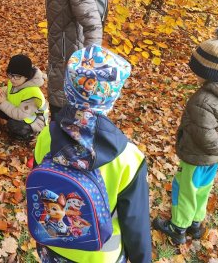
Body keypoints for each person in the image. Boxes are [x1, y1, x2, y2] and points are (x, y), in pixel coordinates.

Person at [32, 45, 151, 263]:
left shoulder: (46, 137)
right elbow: (136, 223)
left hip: (53, 244)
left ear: (68, 87)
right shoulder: (129, 158)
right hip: (102, 255)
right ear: (112, 95)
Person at [153, 25, 218, 245]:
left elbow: (205, 138)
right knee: (202, 190)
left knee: (185, 191)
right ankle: (195, 224)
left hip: (196, 157)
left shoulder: (201, 101)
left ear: (204, 71)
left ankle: (178, 227)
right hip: (213, 160)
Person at [18, 0, 103, 120]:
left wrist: (89, 66)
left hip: (75, 64)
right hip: (61, 59)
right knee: (59, 116)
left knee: (69, 120)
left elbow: (92, 23)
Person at [0, 54, 48, 140]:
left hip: (35, 121)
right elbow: (12, 92)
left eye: (17, 76)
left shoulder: (32, 93)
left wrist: (3, 102)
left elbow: (20, 114)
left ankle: (30, 134)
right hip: (21, 111)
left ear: (26, 77)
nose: (12, 79)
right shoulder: (16, 81)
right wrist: (2, 92)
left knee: (13, 125)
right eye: (10, 75)